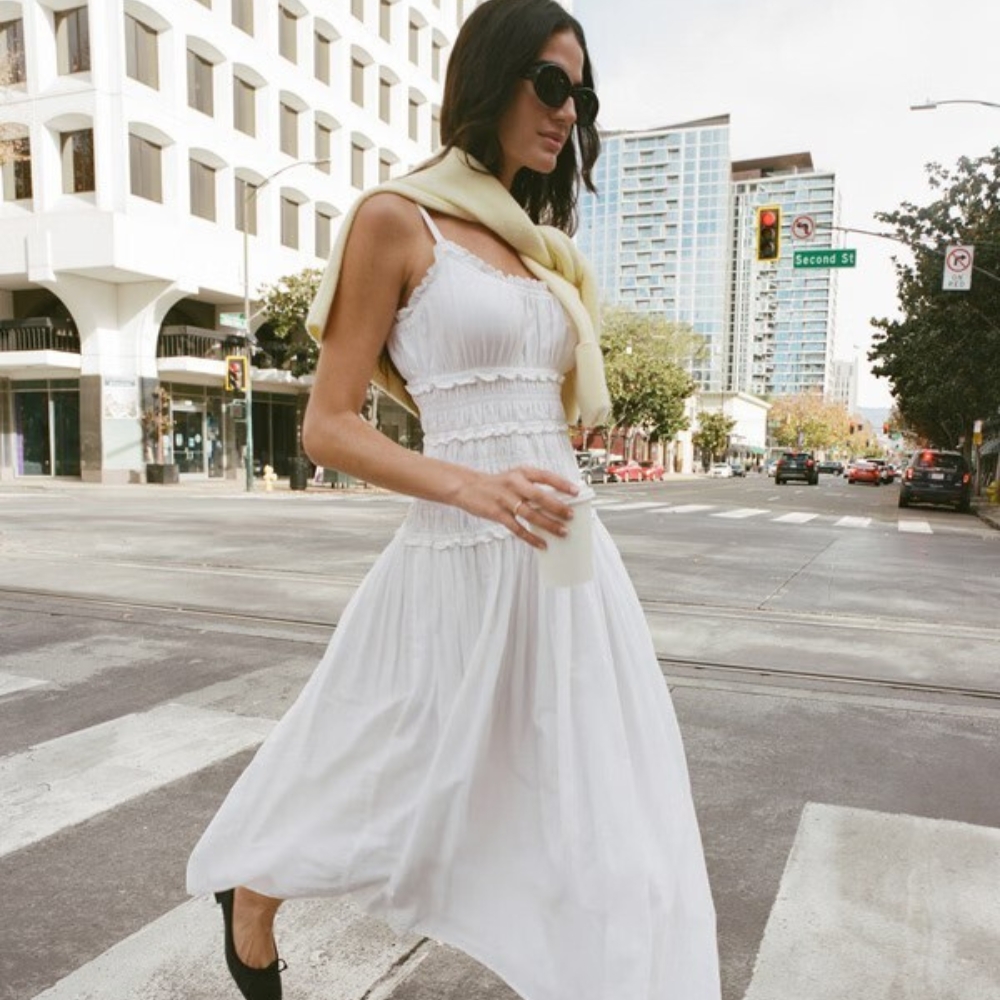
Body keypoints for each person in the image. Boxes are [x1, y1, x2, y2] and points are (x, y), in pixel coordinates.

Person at [186, 2, 720, 998]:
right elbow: (329, 424)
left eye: (582, 95)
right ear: (492, 75)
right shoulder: (398, 218)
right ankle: (253, 886)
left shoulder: (540, 247)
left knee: (607, 819)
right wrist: (474, 484)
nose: (568, 113)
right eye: (550, 84)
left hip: (563, 556)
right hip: (459, 549)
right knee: (384, 765)